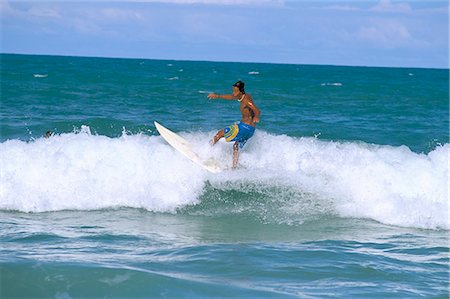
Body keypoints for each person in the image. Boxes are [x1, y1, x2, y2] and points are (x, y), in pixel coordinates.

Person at [208, 80, 261, 169]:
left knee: (220, 134)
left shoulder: (246, 100)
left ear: (241, 91)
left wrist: (256, 117)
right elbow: (231, 96)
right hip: (250, 131)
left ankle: (207, 151)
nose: (234, 93)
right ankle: (234, 167)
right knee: (236, 146)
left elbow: (257, 110)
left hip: (244, 127)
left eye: (236, 91)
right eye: (233, 90)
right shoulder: (244, 96)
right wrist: (217, 96)